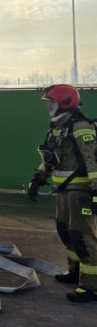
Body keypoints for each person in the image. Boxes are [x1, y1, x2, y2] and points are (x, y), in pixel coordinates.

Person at [28, 84, 97, 303]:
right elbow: (51, 159)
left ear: (64, 103)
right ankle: (74, 271)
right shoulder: (58, 127)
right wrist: (38, 178)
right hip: (63, 190)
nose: (49, 106)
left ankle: (92, 286)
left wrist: (95, 190)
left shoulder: (80, 126)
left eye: (52, 102)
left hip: (80, 191)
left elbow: (92, 161)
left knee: (82, 235)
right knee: (65, 231)